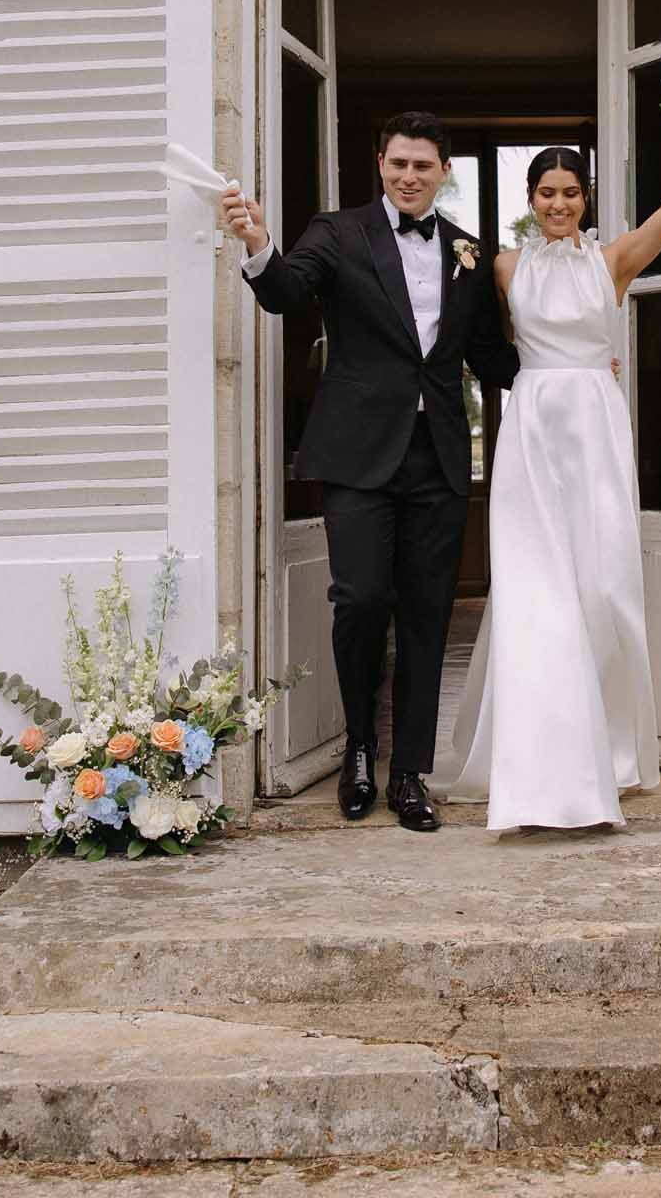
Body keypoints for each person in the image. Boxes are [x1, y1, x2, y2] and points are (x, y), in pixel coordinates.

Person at [222, 112, 519, 832]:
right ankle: (359, 747)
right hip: (357, 453)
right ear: (379, 165)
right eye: (398, 165)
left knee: (426, 616)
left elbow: (489, 358)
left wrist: (568, 365)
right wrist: (259, 244)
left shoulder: (469, 252)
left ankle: (409, 775)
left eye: (423, 166)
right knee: (358, 599)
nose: (410, 177)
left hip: (440, 456)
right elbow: (288, 293)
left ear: (444, 170)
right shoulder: (338, 232)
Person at [437, 130, 661, 833]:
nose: (559, 204)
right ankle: (537, 770)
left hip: (595, 431)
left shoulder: (614, 261)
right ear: (530, 199)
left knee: (601, 588)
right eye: (547, 193)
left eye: (570, 193)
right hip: (532, 430)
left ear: (586, 197)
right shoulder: (504, 268)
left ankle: (612, 752)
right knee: (536, 591)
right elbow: (469, 335)